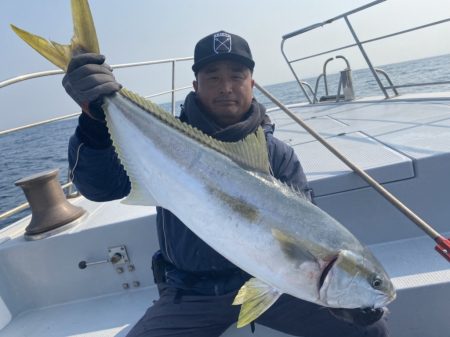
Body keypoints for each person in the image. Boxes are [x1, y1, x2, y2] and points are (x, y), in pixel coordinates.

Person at [64, 31, 389, 337]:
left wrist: (350, 306)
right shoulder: (161, 142)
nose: (226, 87)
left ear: (252, 83)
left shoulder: (277, 155)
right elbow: (102, 188)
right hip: (191, 293)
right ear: (195, 84)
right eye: (213, 77)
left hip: (278, 286)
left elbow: (307, 229)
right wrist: (94, 120)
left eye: (236, 76)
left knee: (369, 331)